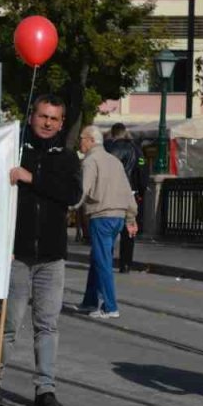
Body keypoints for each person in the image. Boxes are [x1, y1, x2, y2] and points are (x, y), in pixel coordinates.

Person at [0, 94, 82, 406]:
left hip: (51, 256)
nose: (48, 123)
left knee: (47, 324)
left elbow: (72, 194)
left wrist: (32, 178)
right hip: (17, 254)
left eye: (54, 118)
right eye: (43, 116)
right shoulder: (14, 151)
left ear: (61, 122)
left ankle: (45, 389)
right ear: (32, 117)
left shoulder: (67, 159)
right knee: (10, 322)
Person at [76, 126, 138, 319]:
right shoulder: (114, 161)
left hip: (101, 215)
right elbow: (128, 192)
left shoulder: (90, 161)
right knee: (98, 258)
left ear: (90, 141)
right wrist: (131, 218)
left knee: (102, 261)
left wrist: (68, 206)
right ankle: (89, 301)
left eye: (82, 139)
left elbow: (82, 190)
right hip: (118, 217)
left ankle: (109, 306)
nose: (80, 142)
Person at [104, 123, 148, 272]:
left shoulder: (107, 148)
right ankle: (126, 264)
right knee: (128, 230)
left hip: (111, 194)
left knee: (109, 229)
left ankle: (106, 261)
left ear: (113, 134)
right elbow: (142, 171)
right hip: (131, 193)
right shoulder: (136, 149)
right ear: (125, 133)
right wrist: (141, 191)